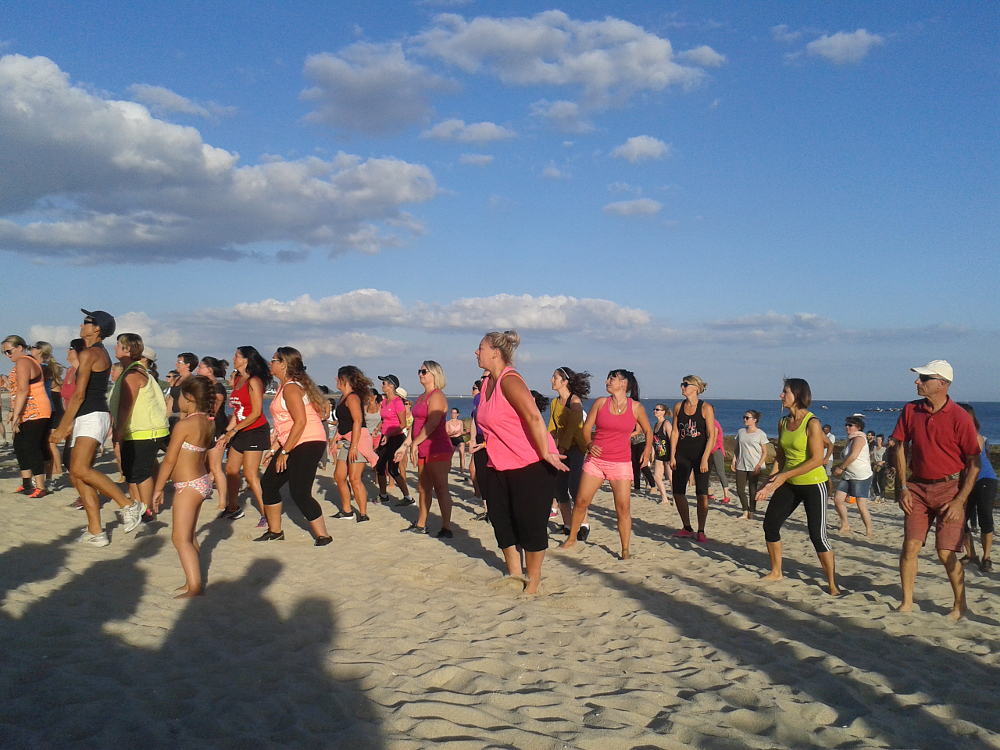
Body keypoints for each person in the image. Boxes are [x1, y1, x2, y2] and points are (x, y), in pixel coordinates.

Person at [475, 331, 567, 592]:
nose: (476, 352)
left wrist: (545, 452)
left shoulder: (510, 380)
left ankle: (533, 579)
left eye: (480, 348)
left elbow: (534, 416)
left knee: (530, 525)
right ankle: (515, 574)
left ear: (495, 353)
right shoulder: (487, 383)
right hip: (498, 465)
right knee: (501, 523)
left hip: (530, 465)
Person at [892, 360, 980, 619]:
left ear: (942, 383)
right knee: (910, 546)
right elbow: (900, 447)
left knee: (945, 552)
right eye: (919, 377)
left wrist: (959, 501)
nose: (917, 382)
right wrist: (902, 487)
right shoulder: (911, 409)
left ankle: (960, 605)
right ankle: (907, 602)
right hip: (917, 487)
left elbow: (974, 463)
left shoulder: (960, 417)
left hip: (950, 489)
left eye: (924, 378)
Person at [50, 310, 144, 546]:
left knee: (81, 469)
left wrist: (62, 427)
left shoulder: (91, 353)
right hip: (87, 416)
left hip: (92, 415)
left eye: (87, 322)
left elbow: (79, 395)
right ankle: (96, 531)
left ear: (97, 328)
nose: (81, 325)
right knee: (76, 474)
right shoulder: (95, 352)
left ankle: (129, 505)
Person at [756, 378, 839, 595]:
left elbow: (816, 459)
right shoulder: (783, 423)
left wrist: (784, 476)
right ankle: (776, 571)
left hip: (813, 484)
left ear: (798, 395)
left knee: (817, 535)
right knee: (770, 525)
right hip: (790, 482)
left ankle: (832, 584)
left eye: (785, 392)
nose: (781, 396)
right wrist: (769, 482)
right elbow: (780, 457)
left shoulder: (812, 423)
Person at [560, 369, 652, 559]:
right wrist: (589, 444)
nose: (607, 381)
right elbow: (586, 428)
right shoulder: (601, 402)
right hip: (596, 462)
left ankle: (625, 550)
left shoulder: (636, 407)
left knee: (623, 508)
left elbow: (648, 431)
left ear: (624, 383)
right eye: (608, 378)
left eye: (612, 378)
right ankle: (572, 538)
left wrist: (647, 450)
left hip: (621, 463)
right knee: (581, 501)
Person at [256, 347, 333, 545]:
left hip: (308, 441)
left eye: (274, 360)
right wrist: (274, 449)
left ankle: (323, 536)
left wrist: (285, 452)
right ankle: (275, 531)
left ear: (283, 364)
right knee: (269, 484)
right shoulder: (284, 387)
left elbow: (300, 422)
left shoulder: (291, 388)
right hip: (293, 441)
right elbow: (286, 424)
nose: (270, 363)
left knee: (299, 492)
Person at [151, 375, 216, 598]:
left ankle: (195, 586)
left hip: (188, 485)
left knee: (179, 538)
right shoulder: (208, 421)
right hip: (201, 481)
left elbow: (170, 460)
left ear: (188, 397)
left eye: (179, 396)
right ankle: (192, 581)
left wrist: (159, 488)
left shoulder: (184, 425)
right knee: (189, 536)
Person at [109, 333, 170, 517]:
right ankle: (139, 507)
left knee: (140, 473)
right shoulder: (132, 371)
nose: (115, 348)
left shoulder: (134, 374)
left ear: (127, 349)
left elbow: (126, 405)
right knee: (131, 472)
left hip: (146, 431)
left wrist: (118, 431)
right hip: (138, 430)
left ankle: (147, 510)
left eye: (118, 345)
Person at [395, 361, 454, 537]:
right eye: (419, 371)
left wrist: (415, 443)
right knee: (423, 488)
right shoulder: (421, 397)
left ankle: (446, 527)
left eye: (424, 371)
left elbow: (432, 424)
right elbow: (416, 425)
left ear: (434, 374)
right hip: (422, 448)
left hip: (438, 447)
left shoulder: (437, 396)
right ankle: (421, 525)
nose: (420, 374)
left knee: (441, 487)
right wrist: (405, 445)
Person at [217, 346, 272, 524]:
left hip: (255, 430)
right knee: (231, 470)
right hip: (240, 430)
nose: (233, 359)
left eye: (236, 356)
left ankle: (267, 514)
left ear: (246, 359)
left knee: (250, 474)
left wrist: (233, 431)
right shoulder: (238, 380)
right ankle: (233, 508)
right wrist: (227, 432)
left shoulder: (254, 381)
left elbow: (256, 413)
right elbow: (238, 411)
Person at [669, 376, 717, 542]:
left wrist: (704, 458)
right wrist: (672, 455)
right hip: (682, 454)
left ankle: (701, 530)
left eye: (685, 384)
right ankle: (687, 527)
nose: (682, 387)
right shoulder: (678, 407)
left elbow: (711, 435)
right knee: (677, 492)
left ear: (695, 388)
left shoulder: (706, 408)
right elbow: (675, 432)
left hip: (701, 454)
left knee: (702, 494)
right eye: (682, 384)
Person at [4, 335, 52, 497]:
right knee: (19, 445)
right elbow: (16, 391)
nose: (7, 355)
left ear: (20, 348)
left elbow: (23, 389)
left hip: (35, 411)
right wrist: (13, 411)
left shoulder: (24, 361)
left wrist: (16, 414)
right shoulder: (22, 362)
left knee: (32, 447)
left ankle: (40, 486)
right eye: (5, 352)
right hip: (25, 410)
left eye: (9, 351)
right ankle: (26, 484)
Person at [549, 366, 591, 534]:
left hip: (576, 449)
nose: (552, 380)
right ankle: (567, 525)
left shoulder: (575, 402)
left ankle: (584, 525)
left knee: (575, 488)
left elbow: (572, 430)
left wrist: (560, 451)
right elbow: (552, 429)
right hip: (561, 449)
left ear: (565, 382)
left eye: (555, 378)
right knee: (559, 488)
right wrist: (547, 447)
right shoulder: (554, 403)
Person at [957, 404, 996, 573]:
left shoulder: (975, 436)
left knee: (985, 516)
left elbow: (972, 460)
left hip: (984, 478)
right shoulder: (954, 435)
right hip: (966, 481)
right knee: (960, 519)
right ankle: (971, 554)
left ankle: (986, 557)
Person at [331, 365, 374, 522]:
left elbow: (358, 421)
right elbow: (343, 422)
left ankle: (363, 514)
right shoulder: (343, 398)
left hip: (359, 440)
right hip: (347, 440)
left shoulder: (352, 397)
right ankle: (347, 511)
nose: (336, 379)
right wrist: (334, 440)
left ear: (346, 379)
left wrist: (354, 447)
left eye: (339, 377)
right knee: (339, 476)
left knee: (355, 479)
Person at [195, 356, 230, 512]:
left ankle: (222, 501)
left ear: (209, 370)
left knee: (216, 467)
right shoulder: (206, 386)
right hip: (206, 428)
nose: (197, 370)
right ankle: (204, 490)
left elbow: (212, 413)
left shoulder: (217, 388)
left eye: (200, 367)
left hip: (216, 429)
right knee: (203, 464)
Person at [831, 416, 874, 537]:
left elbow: (853, 456)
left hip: (861, 476)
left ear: (858, 427)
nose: (847, 427)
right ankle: (845, 525)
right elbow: (847, 457)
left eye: (850, 425)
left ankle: (869, 531)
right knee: (838, 499)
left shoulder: (859, 438)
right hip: (848, 475)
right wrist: (838, 466)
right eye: (846, 425)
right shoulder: (850, 440)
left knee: (861, 505)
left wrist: (841, 467)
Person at [374, 375, 413, 506]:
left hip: (395, 437)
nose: (381, 385)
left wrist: (389, 435)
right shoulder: (384, 402)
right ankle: (383, 495)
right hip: (385, 436)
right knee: (379, 467)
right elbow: (384, 419)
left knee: (392, 469)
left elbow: (403, 424)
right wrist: (377, 428)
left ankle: (408, 497)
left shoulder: (397, 402)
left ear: (391, 386)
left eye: (384, 383)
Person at [32, 341, 65, 484]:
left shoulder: (44, 369)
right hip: (52, 410)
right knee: (48, 444)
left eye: (33, 348)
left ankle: (54, 471)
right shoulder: (47, 370)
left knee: (47, 444)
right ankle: (51, 473)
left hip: (49, 411)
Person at [732, 410, 768, 520]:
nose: (745, 419)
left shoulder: (760, 434)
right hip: (741, 464)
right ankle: (745, 511)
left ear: (754, 420)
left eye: (747, 418)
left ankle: (752, 511)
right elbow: (737, 448)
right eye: (744, 417)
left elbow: (765, 452)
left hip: (754, 465)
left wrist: (759, 465)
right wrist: (734, 460)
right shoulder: (741, 432)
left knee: (753, 490)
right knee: (740, 489)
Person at [165, 353, 197, 431]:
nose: (176, 364)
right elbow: (171, 399)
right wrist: (166, 419)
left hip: (184, 417)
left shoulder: (191, 381)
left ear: (187, 365)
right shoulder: (178, 379)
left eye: (179, 362)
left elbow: (191, 402)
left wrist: (182, 420)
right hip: (173, 416)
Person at [650, 404, 673, 506]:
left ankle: (675, 499)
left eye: (657, 409)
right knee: (657, 477)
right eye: (654, 409)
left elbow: (672, 439)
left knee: (671, 478)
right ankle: (664, 499)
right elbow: (654, 441)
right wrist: (652, 454)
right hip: (659, 454)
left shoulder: (666, 424)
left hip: (668, 454)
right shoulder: (655, 425)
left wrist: (673, 455)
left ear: (663, 412)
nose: (655, 411)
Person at [707, 419, 731, 504]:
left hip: (716, 450)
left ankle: (726, 496)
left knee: (720, 472)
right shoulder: (705, 422)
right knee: (705, 472)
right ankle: (710, 494)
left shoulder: (714, 423)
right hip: (708, 450)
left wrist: (708, 451)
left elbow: (713, 438)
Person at [445, 408, 468, 473]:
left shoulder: (460, 422)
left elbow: (461, 432)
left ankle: (462, 470)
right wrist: (452, 433)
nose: (453, 414)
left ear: (457, 414)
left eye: (454, 413)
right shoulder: (448, 423)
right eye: (452, 413)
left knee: (462, 454)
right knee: (450, 455)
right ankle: (448, 469)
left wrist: (466, 432)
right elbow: (446, 433)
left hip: (460, 438)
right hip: (452, 438)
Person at [870, 434, 888, 503]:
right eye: (877, 440)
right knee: (874, 481)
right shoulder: (874, 448)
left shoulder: (884, 449)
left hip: (882, 466)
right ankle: (877, 495)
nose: (878, 441)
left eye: (879, 440)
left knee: (881, 482)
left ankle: (883, 497)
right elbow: (872, 457)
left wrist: (882, 462)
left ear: (882, 440)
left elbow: (887, 459)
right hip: (874, 465)